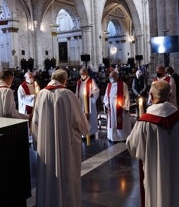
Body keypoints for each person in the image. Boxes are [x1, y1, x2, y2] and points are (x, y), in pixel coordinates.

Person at [126, 80, 179, 207]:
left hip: (154, 179)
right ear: (170, 95)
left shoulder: (144, 123)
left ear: (151, 96)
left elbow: (131, 147)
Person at [32, 69, 90, 207]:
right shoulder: (68, 95)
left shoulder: (41, 95)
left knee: (48, 177)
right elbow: (80, 123)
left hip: (46, 147)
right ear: (64, 80)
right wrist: (85, 125)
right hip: (66, 146)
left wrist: (37, 144)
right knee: (67, 176)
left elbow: (35, 123)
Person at [103, 71, 131, 142]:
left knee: (121, 122)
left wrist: (126, 106)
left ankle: (122, 137)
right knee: (112, 122)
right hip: (111, 108)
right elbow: (106, 96)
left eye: (112, 77)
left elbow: (127, 96)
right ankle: (112, 136)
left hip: (120, 107)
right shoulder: (109, 85)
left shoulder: (123, 84)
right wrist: (107, 104)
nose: (110, 78)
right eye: (109, 77)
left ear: (116, 76)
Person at [75, 68, 100, 137]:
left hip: (89, 104)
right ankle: (83, 133)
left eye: (84, 74)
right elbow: (77, 92)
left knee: (90, 118)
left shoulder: (91, 81)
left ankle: (91, 133)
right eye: (81, 74)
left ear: (87, 74)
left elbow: (96, 90)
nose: (83, 75)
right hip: (81, 103)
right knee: (82, 118)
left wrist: (92, 93)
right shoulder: (79, 82)